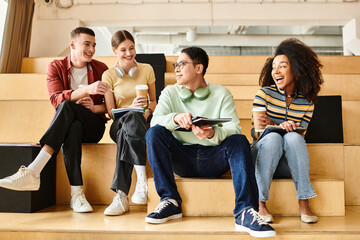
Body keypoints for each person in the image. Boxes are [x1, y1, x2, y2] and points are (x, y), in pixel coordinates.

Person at [144, 46, 275, 238]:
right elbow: (155, 121)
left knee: (238, 140)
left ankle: (245, 211)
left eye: (182, 64)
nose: (177, 69)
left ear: (199, 68)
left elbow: (234, 129)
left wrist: (213, 133)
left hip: (213, 158)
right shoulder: (169, 93)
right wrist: (175, 117)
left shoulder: (222, 93)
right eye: (175, 64)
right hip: (182, 158)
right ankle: (170, 201)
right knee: (154, 133)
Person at [0, 27, 111, 213]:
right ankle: (77, 194)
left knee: (68, 107)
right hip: (70, 127)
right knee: (72, 123)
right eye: (86, 44)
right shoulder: (55, 67)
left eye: (94, 45)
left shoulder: (102, 69)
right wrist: (86, 90)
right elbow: (56, 100)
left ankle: (34, 171)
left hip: (94, 125)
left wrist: (93, 107)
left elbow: (110, 108)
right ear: (72, 44)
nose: (91, 49)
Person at [251, 38, 324, 224]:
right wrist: (278, 126)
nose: (275, 71)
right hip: (262, 158)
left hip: (289, 161)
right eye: (274, 67)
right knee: (274, 138)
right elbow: (258, 132)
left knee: (293, 138)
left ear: (297, 70)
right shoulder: (264, 94)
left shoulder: (307, 102)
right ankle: (260, 203)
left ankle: (304, 202)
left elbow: (301, 135)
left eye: (282, 66)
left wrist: (278, 124)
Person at [102, 30, 157, 216]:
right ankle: (142, 180)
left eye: (132, 48)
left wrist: (147, 111)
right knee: (129, 120)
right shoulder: (108, 75)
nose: (128, 53)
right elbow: (110, 112)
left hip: (143, 122)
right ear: (114, 50)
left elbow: (154, 101)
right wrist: (131, 108)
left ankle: (121, 195)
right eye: (123, 49)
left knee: (130, 128)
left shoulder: (147, 69)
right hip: (118, 123)